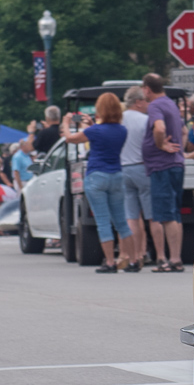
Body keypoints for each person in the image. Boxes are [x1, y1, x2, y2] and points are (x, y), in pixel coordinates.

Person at [61, 93, 131, 272]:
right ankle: (129, 258)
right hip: (116, 175)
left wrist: (66, 122)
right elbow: (103, 137)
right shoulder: (122, 130)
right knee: (121, 221)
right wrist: (92, 126)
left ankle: (109, 262)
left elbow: (70, 139)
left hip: (97, 175)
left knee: (102, 221)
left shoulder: (95, 131)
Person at [142, 73, 186, 273]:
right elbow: (184, 131)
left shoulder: (155, 106)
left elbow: (159, 128)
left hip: (162, 165)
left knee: (166, 214)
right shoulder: (171, 104)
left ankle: (173, 259)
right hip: (176, 164)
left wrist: (162, 145)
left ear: (147, 89)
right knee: (175, 213)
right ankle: (176, 258)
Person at [118, 87, 154, 271]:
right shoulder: (146, 120)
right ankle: (147, 253)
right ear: (139, 102)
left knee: (131, 216)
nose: (148, 105)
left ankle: (133, 256)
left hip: (123, 167)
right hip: (142, 166)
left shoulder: (119, 120)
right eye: (146, 102)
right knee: (151, 215)